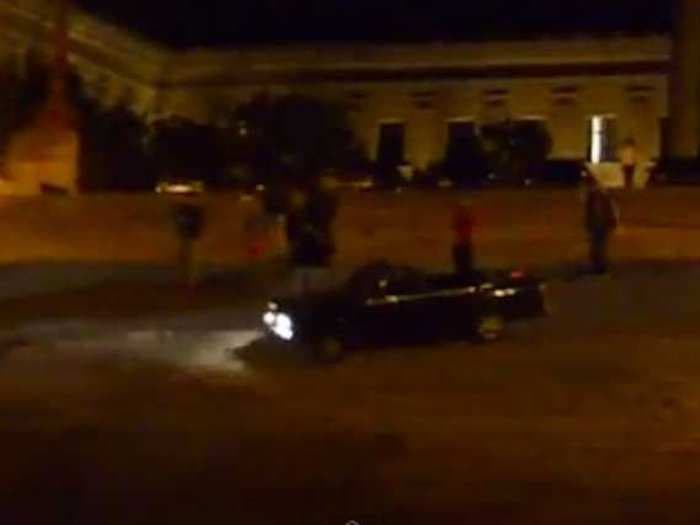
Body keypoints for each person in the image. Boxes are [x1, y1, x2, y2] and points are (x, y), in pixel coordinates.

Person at [584, 175, 619, 274]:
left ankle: (599, 266)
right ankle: (600, 265)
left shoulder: (595, 196)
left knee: (597, 246)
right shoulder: (603, 194)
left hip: (599, 225)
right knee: (600, 246)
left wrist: (592, 225)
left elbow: (596, 212)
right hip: (602, 224)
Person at [451, 198, 476, 276]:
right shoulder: (463, 219)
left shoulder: (461, 218)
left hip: (463, 244)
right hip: (463, 244)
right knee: (465, 264)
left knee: (462, 265)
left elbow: (455, 226)